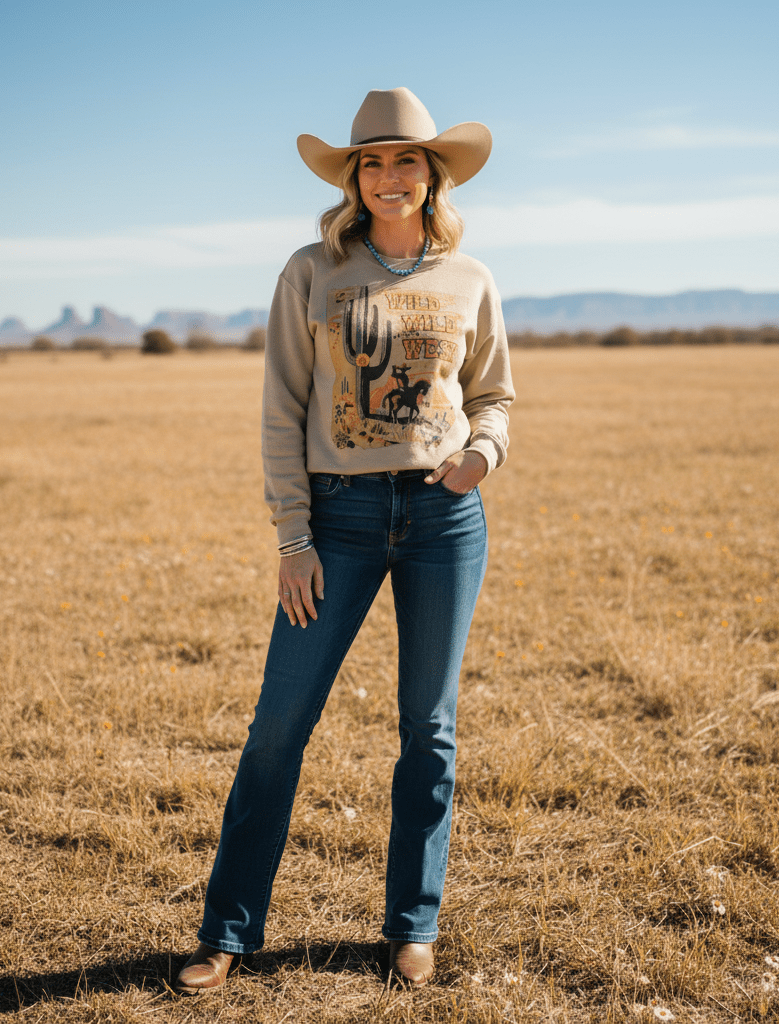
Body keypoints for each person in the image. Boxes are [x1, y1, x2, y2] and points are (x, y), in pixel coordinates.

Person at [176, 87, 514, 994]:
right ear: (353, 178)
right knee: (278, 727)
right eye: (372, 162)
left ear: (433, 175)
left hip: (445, 521)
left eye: (407, 161)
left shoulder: (471, 277)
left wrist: (481, 455)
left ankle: (413, 925)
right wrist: (295, 538)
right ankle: (227, 931)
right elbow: (282, 405)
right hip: (339, 521)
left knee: (429, 732)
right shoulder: (311, 271)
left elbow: (494, 397)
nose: (389, 177)